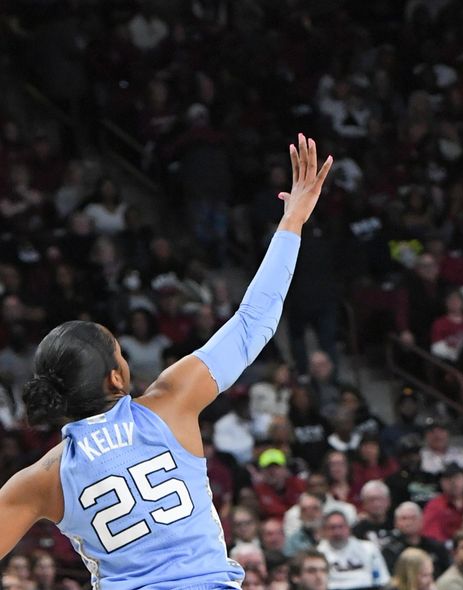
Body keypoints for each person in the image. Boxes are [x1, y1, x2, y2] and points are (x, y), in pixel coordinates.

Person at [0, 135, 333, 588]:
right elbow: (254, 319)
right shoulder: (170, 403)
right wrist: (293, 218)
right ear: (116, 376)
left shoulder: (43, 477)